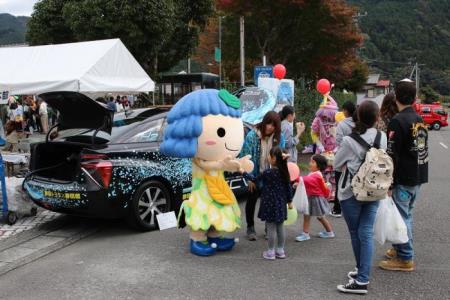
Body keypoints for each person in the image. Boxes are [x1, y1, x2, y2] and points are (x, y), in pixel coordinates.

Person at [334, 100, 387, 294]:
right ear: (377, 117)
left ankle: (361, 278)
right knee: (366, 232)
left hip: (352, 192)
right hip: (374, 191)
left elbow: (338, 163)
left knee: (356, 233)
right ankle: (361, 275)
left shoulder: (349, 140)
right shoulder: (382, 137)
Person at [378, 79, 428, 272]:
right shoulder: (419, 119)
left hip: (403, 177)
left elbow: (392, 155)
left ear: (396, 97)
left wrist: (389, 184)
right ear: (415, 99)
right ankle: (399, 247)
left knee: (402, 216)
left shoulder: (397, 121)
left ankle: (406, 257)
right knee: (405, 215)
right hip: (418, 175)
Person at [240, 111, 286, 241]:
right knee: (251, 201)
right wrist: (249, 178)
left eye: (273, 125)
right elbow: (246, 158)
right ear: (264, 121)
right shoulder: (252, 136)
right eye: (268, 123)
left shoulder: (279, 138)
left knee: (270, 203)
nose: (270, 127)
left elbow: (281, 158)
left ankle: (268, 228)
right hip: (255, 175)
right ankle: (250, 227)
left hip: (271, 176)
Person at [244, 146, 293, 260]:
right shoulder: (284, 173)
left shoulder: (267, 172)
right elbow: (288, 188)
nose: (268, 157)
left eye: (269, 155)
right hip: (281, 204)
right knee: (280, 227)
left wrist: (243, 172)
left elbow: (254, 179)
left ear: (274, 158)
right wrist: (289, 201)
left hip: (269, 204)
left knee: (271, 228)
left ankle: (270, 251)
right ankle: (280, 250)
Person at [295, 154, 335, 242]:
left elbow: (306, 180)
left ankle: (327, 232)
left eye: (313, 162)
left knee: (318, 216)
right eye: (310, 161)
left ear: (319, 165)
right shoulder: (314, 174)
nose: (310, 163)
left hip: (315, 199)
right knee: (310, 216)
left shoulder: (316, 175)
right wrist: (298, 184)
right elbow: (308, 183)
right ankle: (327, 232)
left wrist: (296, 178)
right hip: (312, 198)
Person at [332, 101, 356, 217]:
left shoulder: (342, 124)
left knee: (339, 181)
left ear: (346, 111)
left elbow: (338, 141)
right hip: (356, 157)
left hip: (343, 157)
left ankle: (337, 209)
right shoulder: (359, 123)